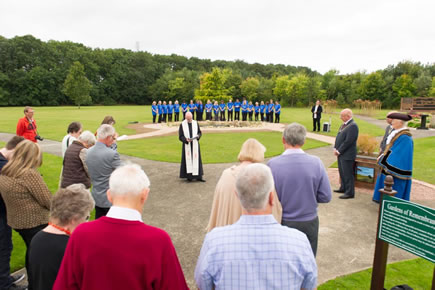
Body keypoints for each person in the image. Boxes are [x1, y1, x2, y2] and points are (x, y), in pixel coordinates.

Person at [53, 164, 188, 290]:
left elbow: (64, 285)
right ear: (145, 195)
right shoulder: (158, 240)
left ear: (109, 196)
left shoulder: (82, 234)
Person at [195, 163, 317, 290]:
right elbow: (309, 286)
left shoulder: (214, 241)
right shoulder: (299, 242)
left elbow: (202, 286)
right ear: (271, 197)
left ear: (237, 196)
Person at [268, 123, 332, 255]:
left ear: (283, 140)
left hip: (283, 221)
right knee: (308, 261)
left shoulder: (273, 164)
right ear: (303, 141)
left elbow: (268, 198)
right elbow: (325, 196)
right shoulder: (316, 163)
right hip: (308, 221)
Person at [0, 140, 51, 290]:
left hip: (16, 221)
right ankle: (37, 284)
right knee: (39, 256)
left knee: (32, 251)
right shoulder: (28, 174)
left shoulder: (6, 170)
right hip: (34, 222)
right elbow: (47, 200)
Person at [206, 138, 282, 232]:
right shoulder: (263, 176)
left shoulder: (226, 175)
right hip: (254, 231)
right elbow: (274, 209)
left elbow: (218, 206)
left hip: (227, 231)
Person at [29, 184, 94, 290]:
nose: (88, 221)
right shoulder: (71, 247)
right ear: (74, 219)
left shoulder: (37, 238)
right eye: (87, 217)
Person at [0, 136, 25, 290]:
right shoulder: (3, 166)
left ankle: (4, 277)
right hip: (1, 214)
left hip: (4, 213)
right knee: (3, 248)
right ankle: (5, 284)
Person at [373, 113, 413, 202]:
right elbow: (390, 149)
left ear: (400, 123)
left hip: (396, 167)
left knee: (394, 186)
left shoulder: (405, 138)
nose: (392, 123)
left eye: (394, 121)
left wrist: (383, 159)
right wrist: (382, 156)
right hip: (388, 161)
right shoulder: (397, 133)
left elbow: (398, 153)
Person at [86, 125, 121, 218]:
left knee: (99, 225)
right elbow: (122, 173)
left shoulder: (88, 151)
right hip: (110, 198)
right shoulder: (112, 154)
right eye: (113, 138)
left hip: (96, 195)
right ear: (108, 138)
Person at [334, 109, 359, 199]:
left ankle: (350, 192)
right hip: (341, 154)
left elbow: (348, 141)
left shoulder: (353, 126)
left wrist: (339, 150)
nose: (340, 117)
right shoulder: (344, 125)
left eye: (342, 116)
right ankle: (343, 188)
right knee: (342, 172)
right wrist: (335, 148)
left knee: (348, 173)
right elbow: (339, 137)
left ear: (347, 116)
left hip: (347, 154)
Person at [179, 112, 205, 182]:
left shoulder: (195, 123)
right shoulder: (182, 124)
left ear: (192, 117)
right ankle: (189, 177)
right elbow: (180, 136)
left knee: (197, 159)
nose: (189, 120)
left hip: (195, 144)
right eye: (187, 119)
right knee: (188, 160)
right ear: (185, 117)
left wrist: (198, 136)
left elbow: (199, 132)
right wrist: (185, 140)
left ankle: (199, 176)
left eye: (190, 119)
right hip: (187, 145)